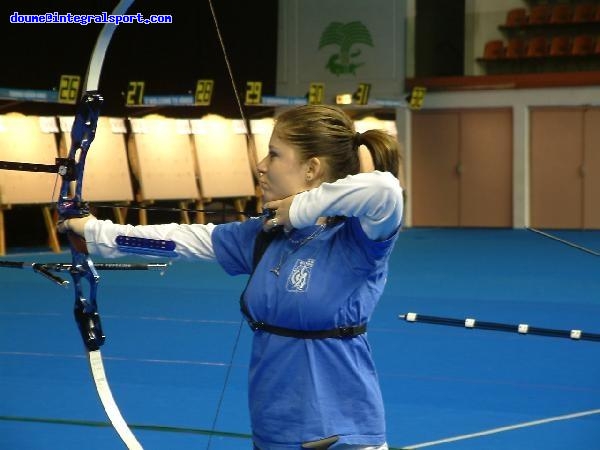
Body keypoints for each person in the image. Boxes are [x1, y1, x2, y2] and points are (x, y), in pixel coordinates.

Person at [60, 104, 404, 450]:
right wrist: (95, 232)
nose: (261, 166)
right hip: (274, 430)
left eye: (274, 154)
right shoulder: (266, 234)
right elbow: (179, 240)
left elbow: (385, 192)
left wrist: (301, 207)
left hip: (342, 435)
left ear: (312, 169)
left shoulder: (357, 240)